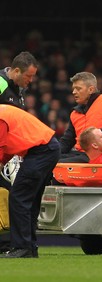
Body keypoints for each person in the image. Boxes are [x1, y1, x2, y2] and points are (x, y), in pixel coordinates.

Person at [0, 104, 60, 258]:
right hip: (48, 148)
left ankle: (22, 247)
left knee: (18, 197)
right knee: (29, 200)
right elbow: (6, 149)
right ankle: (30, 247)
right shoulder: (3, 112)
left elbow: (0, 148)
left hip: (40, 151)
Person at [0, 51, 38, 251]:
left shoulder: (17, 90)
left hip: (8, 155)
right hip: (2, 153)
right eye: (28, 76)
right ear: (15, 71)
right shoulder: (1, 83)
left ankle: (10, 243)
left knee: (11, 197)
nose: (30, 81)